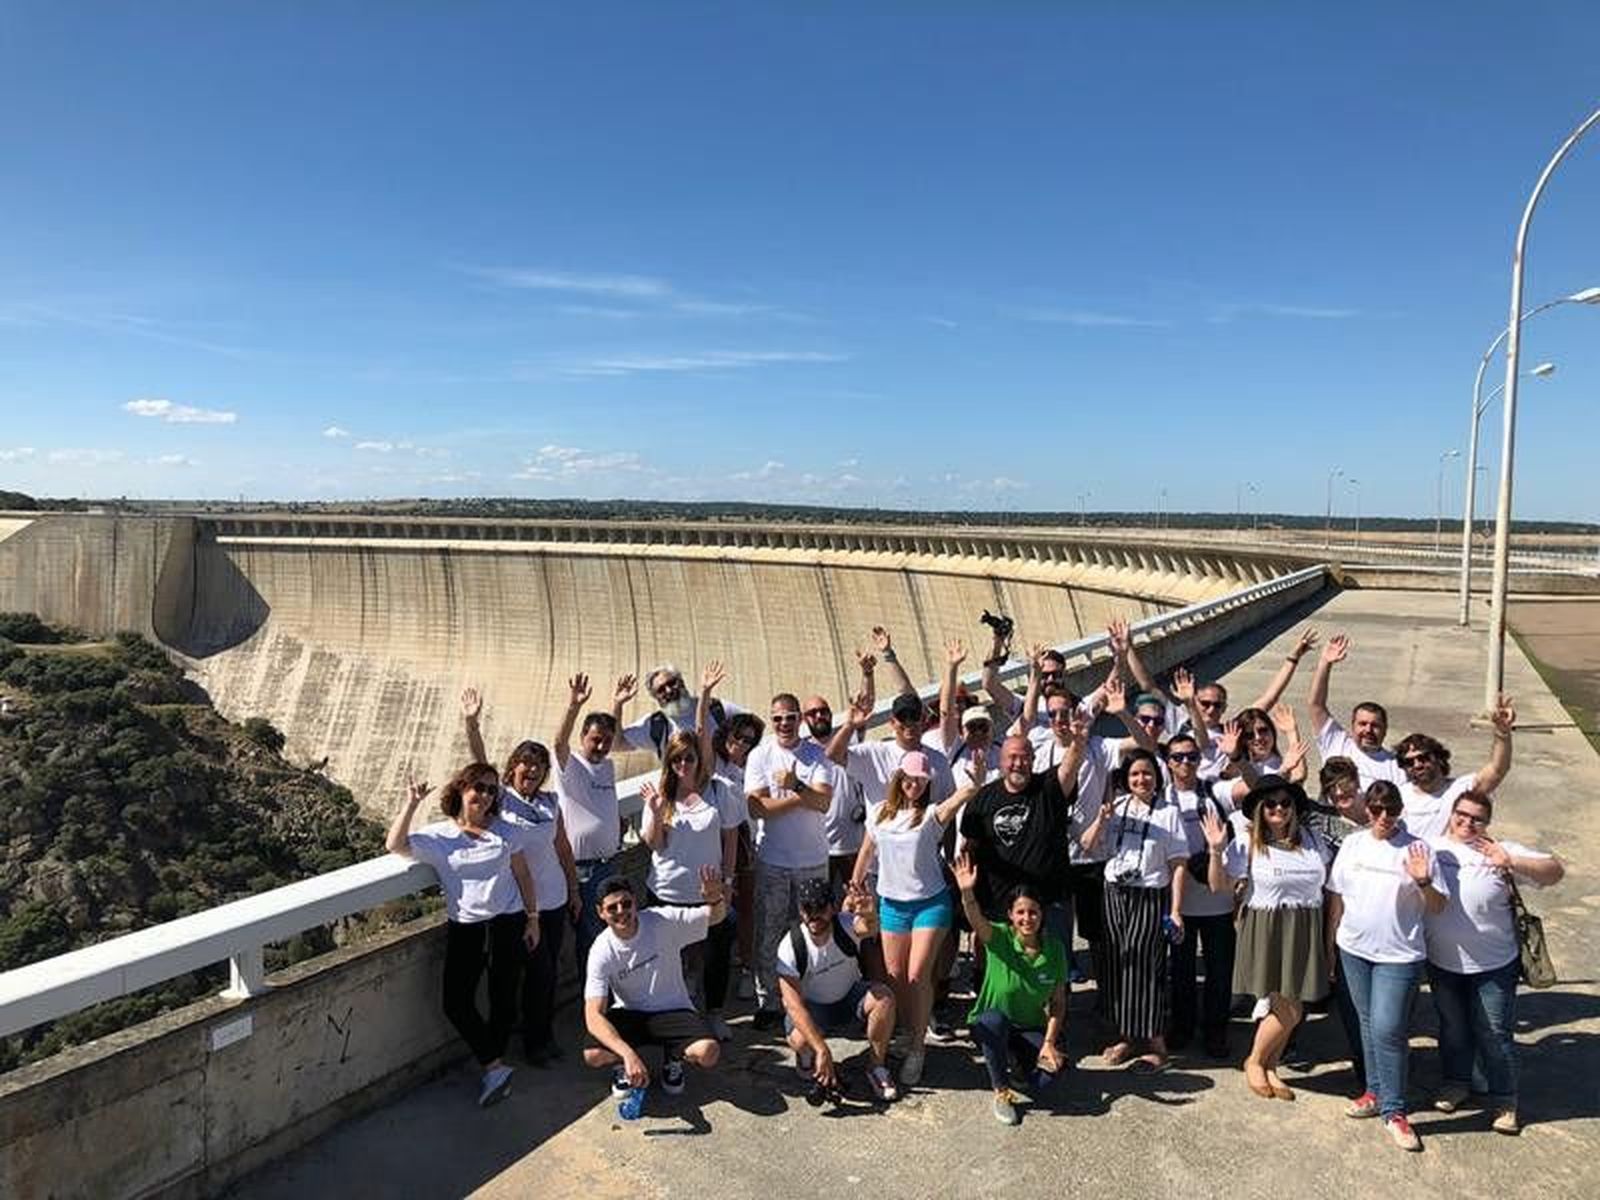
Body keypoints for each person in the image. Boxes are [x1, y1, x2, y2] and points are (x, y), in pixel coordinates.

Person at [386, 763, 540, 1108]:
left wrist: (533, 918)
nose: (484, 796)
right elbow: (394, 844)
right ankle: (495, 1065)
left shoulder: (505, 831)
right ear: (461, 789)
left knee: (503, 999)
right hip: (467, 928)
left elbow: (524, 875)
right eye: (478, 788)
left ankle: (495, 1070)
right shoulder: (441, 836)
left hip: (508, 921)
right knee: (455, 1003)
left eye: (490, 790)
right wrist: (412, 804)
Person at [1425, 790, 1564, 1134]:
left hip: (1494, 965)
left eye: (1477, 818)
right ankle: (1457, 1083)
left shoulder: (1501, 850)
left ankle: (1505, 1099)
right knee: (1452, 1029)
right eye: (1462, 814)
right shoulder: (1432, 846)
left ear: (1487, 823)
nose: (1467, 822)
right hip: (1443, 963)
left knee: (1495, 1034)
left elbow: (1554, 871)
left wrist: (1512, 862)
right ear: (1452, 813)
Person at [1325, 780, 1448, 1152]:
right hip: (1353, 948)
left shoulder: (1418, 848)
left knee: (1389, 1028)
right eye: (1376, 809)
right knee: (1366, 1023)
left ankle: (1395, 1110)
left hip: (1399, 955)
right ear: (1367, 809)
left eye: (1391, 810)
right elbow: (1337, 896)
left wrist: (1424, 881)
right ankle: (1374, 1093)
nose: (1383, 817)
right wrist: (1330, 944)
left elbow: (1438, 907)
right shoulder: (1353, 844)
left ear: (1400, 811)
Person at [461, 689, 582, 1064]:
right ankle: (531, 1043)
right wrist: (471, 722)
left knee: (542, 980)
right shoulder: (500, 800)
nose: (531, 771)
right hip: (520, 908)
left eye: (538, 766)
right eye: (525, 765)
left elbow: (562, 848)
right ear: (513, 767)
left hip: (555, 900)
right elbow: (479, 764)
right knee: (533, 975)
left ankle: (540, 1038)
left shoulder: (550, 803)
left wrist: (575, 890)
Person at [1203, 776, 1332, 1101]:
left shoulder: (1314, 839)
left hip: (1305, 925)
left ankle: (1271, 1066)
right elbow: (1218, 886)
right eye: (1271, 804)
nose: (1279, 809)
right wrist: (1216, 851)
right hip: (1267, 927)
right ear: (1260, 809)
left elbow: (1330, 887)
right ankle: (1255, 1061)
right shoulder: (1248, 843)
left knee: (1292, 1006)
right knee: (1289, 1009)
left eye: (1285, 803)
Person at [850, 750, 972, 1086]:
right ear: (898, 778)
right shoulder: (879, 813)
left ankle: (917, 1048)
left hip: (930, 903)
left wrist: (971, 781)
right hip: (892, 904)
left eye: (920, 780)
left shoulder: (931, 815)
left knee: (918, 974)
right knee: (896, 976)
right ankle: (907, 1032)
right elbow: (866, 852)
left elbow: (960, 797)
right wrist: (855, 886)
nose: (913, 785)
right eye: (908, 778)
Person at [1079, 747, 1190, 1070]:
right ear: (1126, 780)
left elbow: (1179, 864)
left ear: (1157, 778)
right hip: (1114, 892)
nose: (1141, 779)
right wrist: (1101, 819)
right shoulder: (1117, 807)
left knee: (1145, 965)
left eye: (1147, 774)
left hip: (1149, 894)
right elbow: (1087, 845)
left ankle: (1156, 1041)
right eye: (1135, 775)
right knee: (1117, 963)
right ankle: (1127, 1036)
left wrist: (1176, 909)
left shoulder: (1168, 812)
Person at [640, 702, 741, 1040]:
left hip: (709, 894)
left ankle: (713, 1013)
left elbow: (730, 839)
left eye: (690, 758)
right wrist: (654, 812)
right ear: (669, 763)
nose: (684, 764)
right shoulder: (661, 795)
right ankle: (674, 1017)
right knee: (669, 958)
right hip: (667, 891)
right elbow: (654, 845)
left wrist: (728, 882)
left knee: (716, 953)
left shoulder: (718, 792)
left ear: (700, 760)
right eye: (677, 759)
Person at [583, 870, 726, 1101]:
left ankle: (674, 1057)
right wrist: (627, 1054)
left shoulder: (662, 920)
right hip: (630, 1012)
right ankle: (623, 1065)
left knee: (708, 1053)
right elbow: (592, 1016)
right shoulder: (601, 950)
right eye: (612, 908)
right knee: (592, 1054)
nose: (621, 912)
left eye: (626, 903)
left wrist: (715, 899)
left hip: (672, 1009)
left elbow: (715, 917)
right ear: (601, 913)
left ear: (635, 902)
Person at [953, 852, 1069, 1127]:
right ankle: (1001, 1090)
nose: (1027, 918)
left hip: (1029, 1027)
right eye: (1020, 912)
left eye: (1033, 912)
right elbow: (975, 918)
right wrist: (967, 892)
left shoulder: (1055, 949)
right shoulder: (999, 937)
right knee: (993, 1021)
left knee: (1054, 1073)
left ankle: (1017, 1066)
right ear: (1010, 915)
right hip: (991, 1023)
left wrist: (1050, 1044)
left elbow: (1058, 1004)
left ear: (1042, 915)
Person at [745, 692, 836, 1027]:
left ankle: (809, 994)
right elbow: (756, 808)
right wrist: (803, 796)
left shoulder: (817, 754)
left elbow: (824, 804)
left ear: (801, 719)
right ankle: (769, 1001)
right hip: (774, 860)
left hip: (812, 860)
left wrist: (794, 785)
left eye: (790, 717)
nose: (784, 724)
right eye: (778, 718)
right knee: (769, 931)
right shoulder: (760, 756)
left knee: (812, 929)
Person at [776, 877, 899, 1103]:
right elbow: (793, 1006)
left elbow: (869, 927)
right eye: (807, 908)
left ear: (832, 907)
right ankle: (806, 1056)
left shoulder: (845, 925)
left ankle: (876, 1067)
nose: (814, 915)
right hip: (813, 1010)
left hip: (849, 999)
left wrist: (870, 914)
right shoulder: (790, 947)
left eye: (820, 907)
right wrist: (822, 1049)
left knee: (884, 998)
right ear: (800, 910)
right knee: (800, 1040)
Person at [1164, 732, 1238, 1059]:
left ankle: (1216, 1030)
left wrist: (1237, 758)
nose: (1185, 763)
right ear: (1167, 762)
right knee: (1180, 971)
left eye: (1192, 756)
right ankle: (1182, 1027)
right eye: (1178, 757)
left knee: (1219, 972)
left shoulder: (1214, 791)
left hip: (1217, 901)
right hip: (1178, 902)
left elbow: (1248, 786)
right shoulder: (1160, 796)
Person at [553, 671, 632, 970]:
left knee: (611, 937)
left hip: (608, 864)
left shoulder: (607, 767)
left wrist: (617, 704)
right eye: (595, 740)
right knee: (592, 938)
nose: (600, 747)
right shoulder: (570, 765)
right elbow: (558, 743)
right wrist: (573, 705)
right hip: (581, 871)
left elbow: (615, 735)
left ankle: (607, 999)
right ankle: (596, 1004)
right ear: (583, 737)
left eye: (606, 742)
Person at [1303, 756, 1371, 1095]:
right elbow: (1273, 797)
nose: (1341, 794)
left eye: (1346, 786)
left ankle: (1367, 1069)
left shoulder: (1376, 819)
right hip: (1316, 910)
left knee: (1355, 1001)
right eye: (1333, 790)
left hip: (1354, 915)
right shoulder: (1317, 815)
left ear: (1358, 782)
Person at [1394, 695, 1515, 839]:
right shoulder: (1397, 796)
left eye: (1423, 758)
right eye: (1409, 762)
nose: (1417, 764)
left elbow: (1498, 769)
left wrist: (1502, 732)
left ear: (1438, 758)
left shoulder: (1461, 788)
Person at [712, 710, 766, 999]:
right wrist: (705, 696)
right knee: (710, 910)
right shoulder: (714, 764)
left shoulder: (756, 766)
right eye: (738, 736)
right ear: (726, 736)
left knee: (747, 910)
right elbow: (696, 732)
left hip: (747, 841)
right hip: (712, 840)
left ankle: (747, 968)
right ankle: (698, 971)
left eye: (749, 739)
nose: (742, 744)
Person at [1308, 634, 1404, 790]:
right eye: (1362, 724)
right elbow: (1316, 705)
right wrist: (1325, 663)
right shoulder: (1337, 743)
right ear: (1352, 726)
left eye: (1375, 725)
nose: (1368, 730)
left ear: (1385, 730)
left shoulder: (1396, 767)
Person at [621, 662, 743, 761]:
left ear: (682, 682)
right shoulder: (655, 725)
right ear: (655, 697)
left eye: (672, 683)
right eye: (661, 690)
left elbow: (755, 727)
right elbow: (617, 743)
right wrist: (618, 704)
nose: (668, 691)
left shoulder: (717, 709)